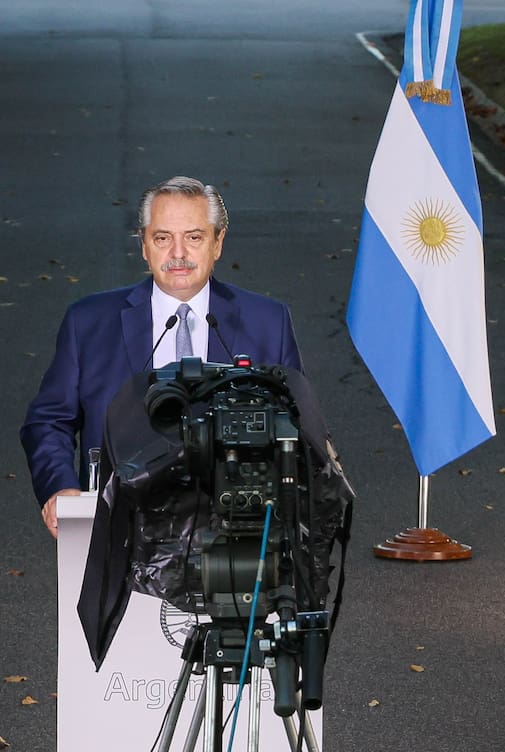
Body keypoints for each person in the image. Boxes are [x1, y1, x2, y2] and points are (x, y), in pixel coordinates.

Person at [20, 176, 303, 536]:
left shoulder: (268, 322)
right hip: (117, 527)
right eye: (163, 238)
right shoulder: (88, 322)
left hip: (237, 530)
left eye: (194, 237)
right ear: (143, 245)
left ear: (218, 243)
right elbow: (47, 421)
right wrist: (59, 487)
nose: (179, 254)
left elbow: (300, 426)